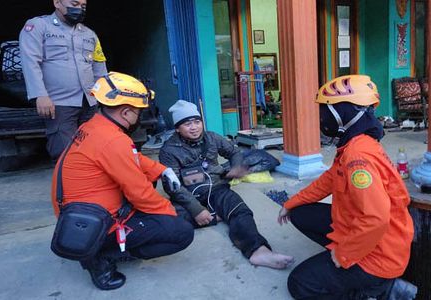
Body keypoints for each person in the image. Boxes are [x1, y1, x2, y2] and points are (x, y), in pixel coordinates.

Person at [278, 75, 417, 299]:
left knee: (299, 284)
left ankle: (380, 291)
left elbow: (376, 219)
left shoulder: (357, 157)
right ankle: (349, 267)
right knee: (300, 213)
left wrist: (343, 254)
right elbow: (328, 180)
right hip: (370, 234)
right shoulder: (356, 143)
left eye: (326, 109)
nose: (323, 117)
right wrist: (290, 203)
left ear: (344, 113)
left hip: (380, 256)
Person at [51, 72, 194, 290]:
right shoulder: (113, 141)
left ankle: (106, 246)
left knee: (173, 210)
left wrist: (162, 170)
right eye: (139, 112)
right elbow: (140, 194)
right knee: (182, 231)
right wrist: (168, 213)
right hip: (94, 224)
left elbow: (131, 159)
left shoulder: (93, 126)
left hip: (79, 213)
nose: (140, 117)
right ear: (126, 112)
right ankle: (101, 256)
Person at [159, 100, 294, 270]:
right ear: (178, 128)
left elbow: (233, 152)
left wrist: (237, 167)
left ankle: (258, 250)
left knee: (240, 210)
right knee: (167, 221)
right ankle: (214, 216)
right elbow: (173, 187)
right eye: (187, 124)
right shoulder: (168, 150)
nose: (193, 127)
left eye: (196, 122)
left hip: (216, 188)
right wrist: (196, 209)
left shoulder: (212, 138)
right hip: (187, 196)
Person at [19, 0, 107, 160]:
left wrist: (105, 98)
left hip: (90, 102)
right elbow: (30, 62)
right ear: (57, 3)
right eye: (74, 3)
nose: (79, 8)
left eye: (83, 5)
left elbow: (99, 68)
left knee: (95, 149)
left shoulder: (89, 34)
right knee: (65, 154)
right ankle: (68, 184)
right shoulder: (38, 26)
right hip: (59, 103)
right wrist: (40, 95)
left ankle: (90, 184)